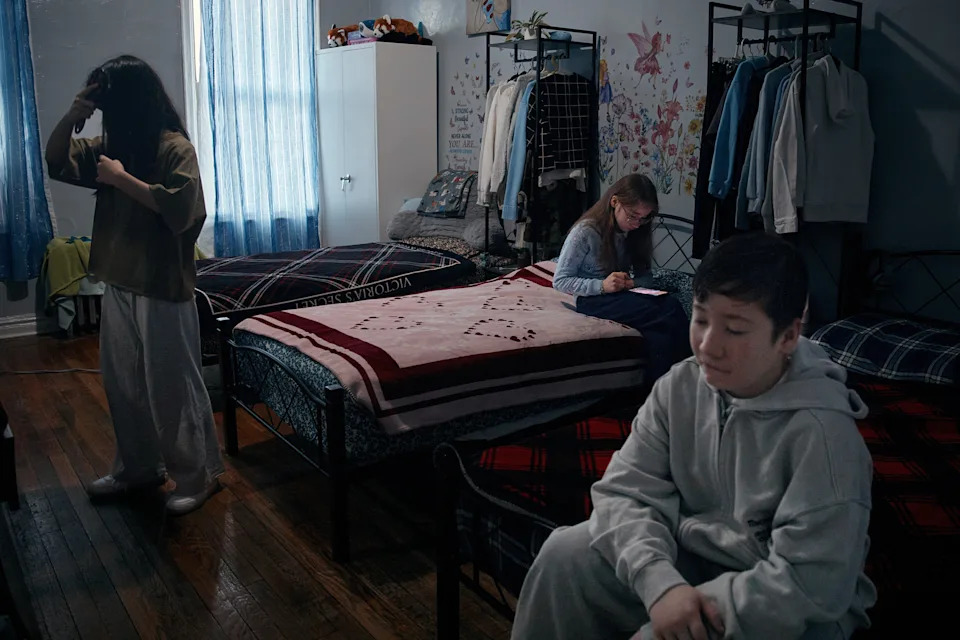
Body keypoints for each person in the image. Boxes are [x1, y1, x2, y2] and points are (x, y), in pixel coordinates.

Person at [512, 232, 877, 640]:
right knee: (564, 555)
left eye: (734, 330)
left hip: (784, 600)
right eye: (701, 320)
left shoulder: (823, 434)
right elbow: (625, 492)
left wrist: (683, 615)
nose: (708, 346)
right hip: (692, 555)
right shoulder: (680, 386)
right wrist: (660, 584)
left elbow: (812, 582)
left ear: (789, 336)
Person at [45, 55, 223, 515]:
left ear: (131, 102)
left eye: (109, 105)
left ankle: (197, 475)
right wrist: (73, 114)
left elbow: (184, 211)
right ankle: (138, 468)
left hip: (162, 283)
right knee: (123, 382)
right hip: (120, 278)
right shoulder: (112, 145)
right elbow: (56, 160)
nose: (105, 115)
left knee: (171, 383)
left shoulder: (173, 148)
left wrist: (122, 180)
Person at [553, 174, 691, 383]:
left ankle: (667, 390)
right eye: (633, 216)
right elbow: (561, 281)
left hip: (621, 294)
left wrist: (632, 283)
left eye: (644, 218)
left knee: (661, 329)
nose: (637, 223)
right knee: (669, 309)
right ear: (614, 202)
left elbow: (646, 277)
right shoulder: (585, 232)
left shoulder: (636, 232)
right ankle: (683, 382)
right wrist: (602, 285)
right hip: (591, 299)